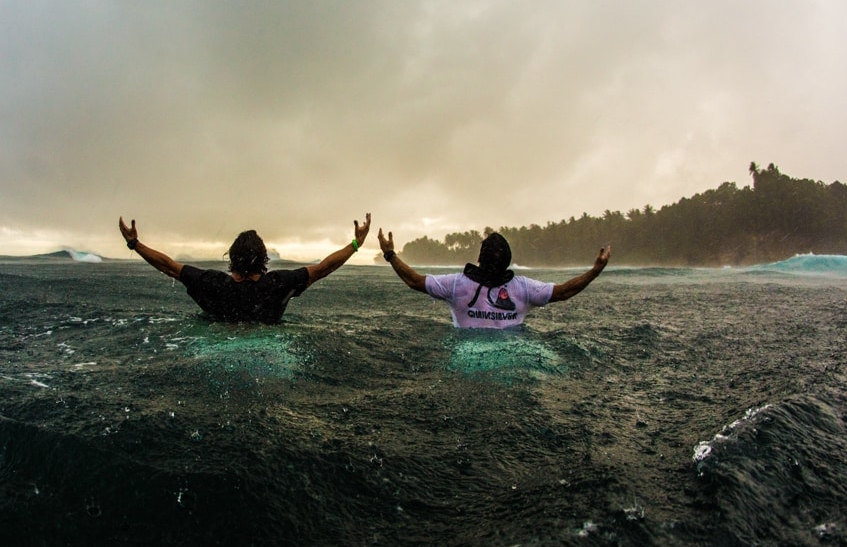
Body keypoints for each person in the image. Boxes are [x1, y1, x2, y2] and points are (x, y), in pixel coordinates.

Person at [118, 214, 371, 323]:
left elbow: (170, 267)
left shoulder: (213, 283)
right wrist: (356, 243)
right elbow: (324, 268)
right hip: (268, 346)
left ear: (232, 257)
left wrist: (134, 243)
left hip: (219, 343)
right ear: (264, 258)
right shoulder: (278, 284)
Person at [377, 228, 611, 329]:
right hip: (512, 351)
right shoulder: (524, 288)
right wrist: (595, 271)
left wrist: (390, 254)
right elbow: (563, 292)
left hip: (467, 354)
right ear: (508, 260)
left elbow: (414, 281)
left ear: (479, 257)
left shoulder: (457, 284)